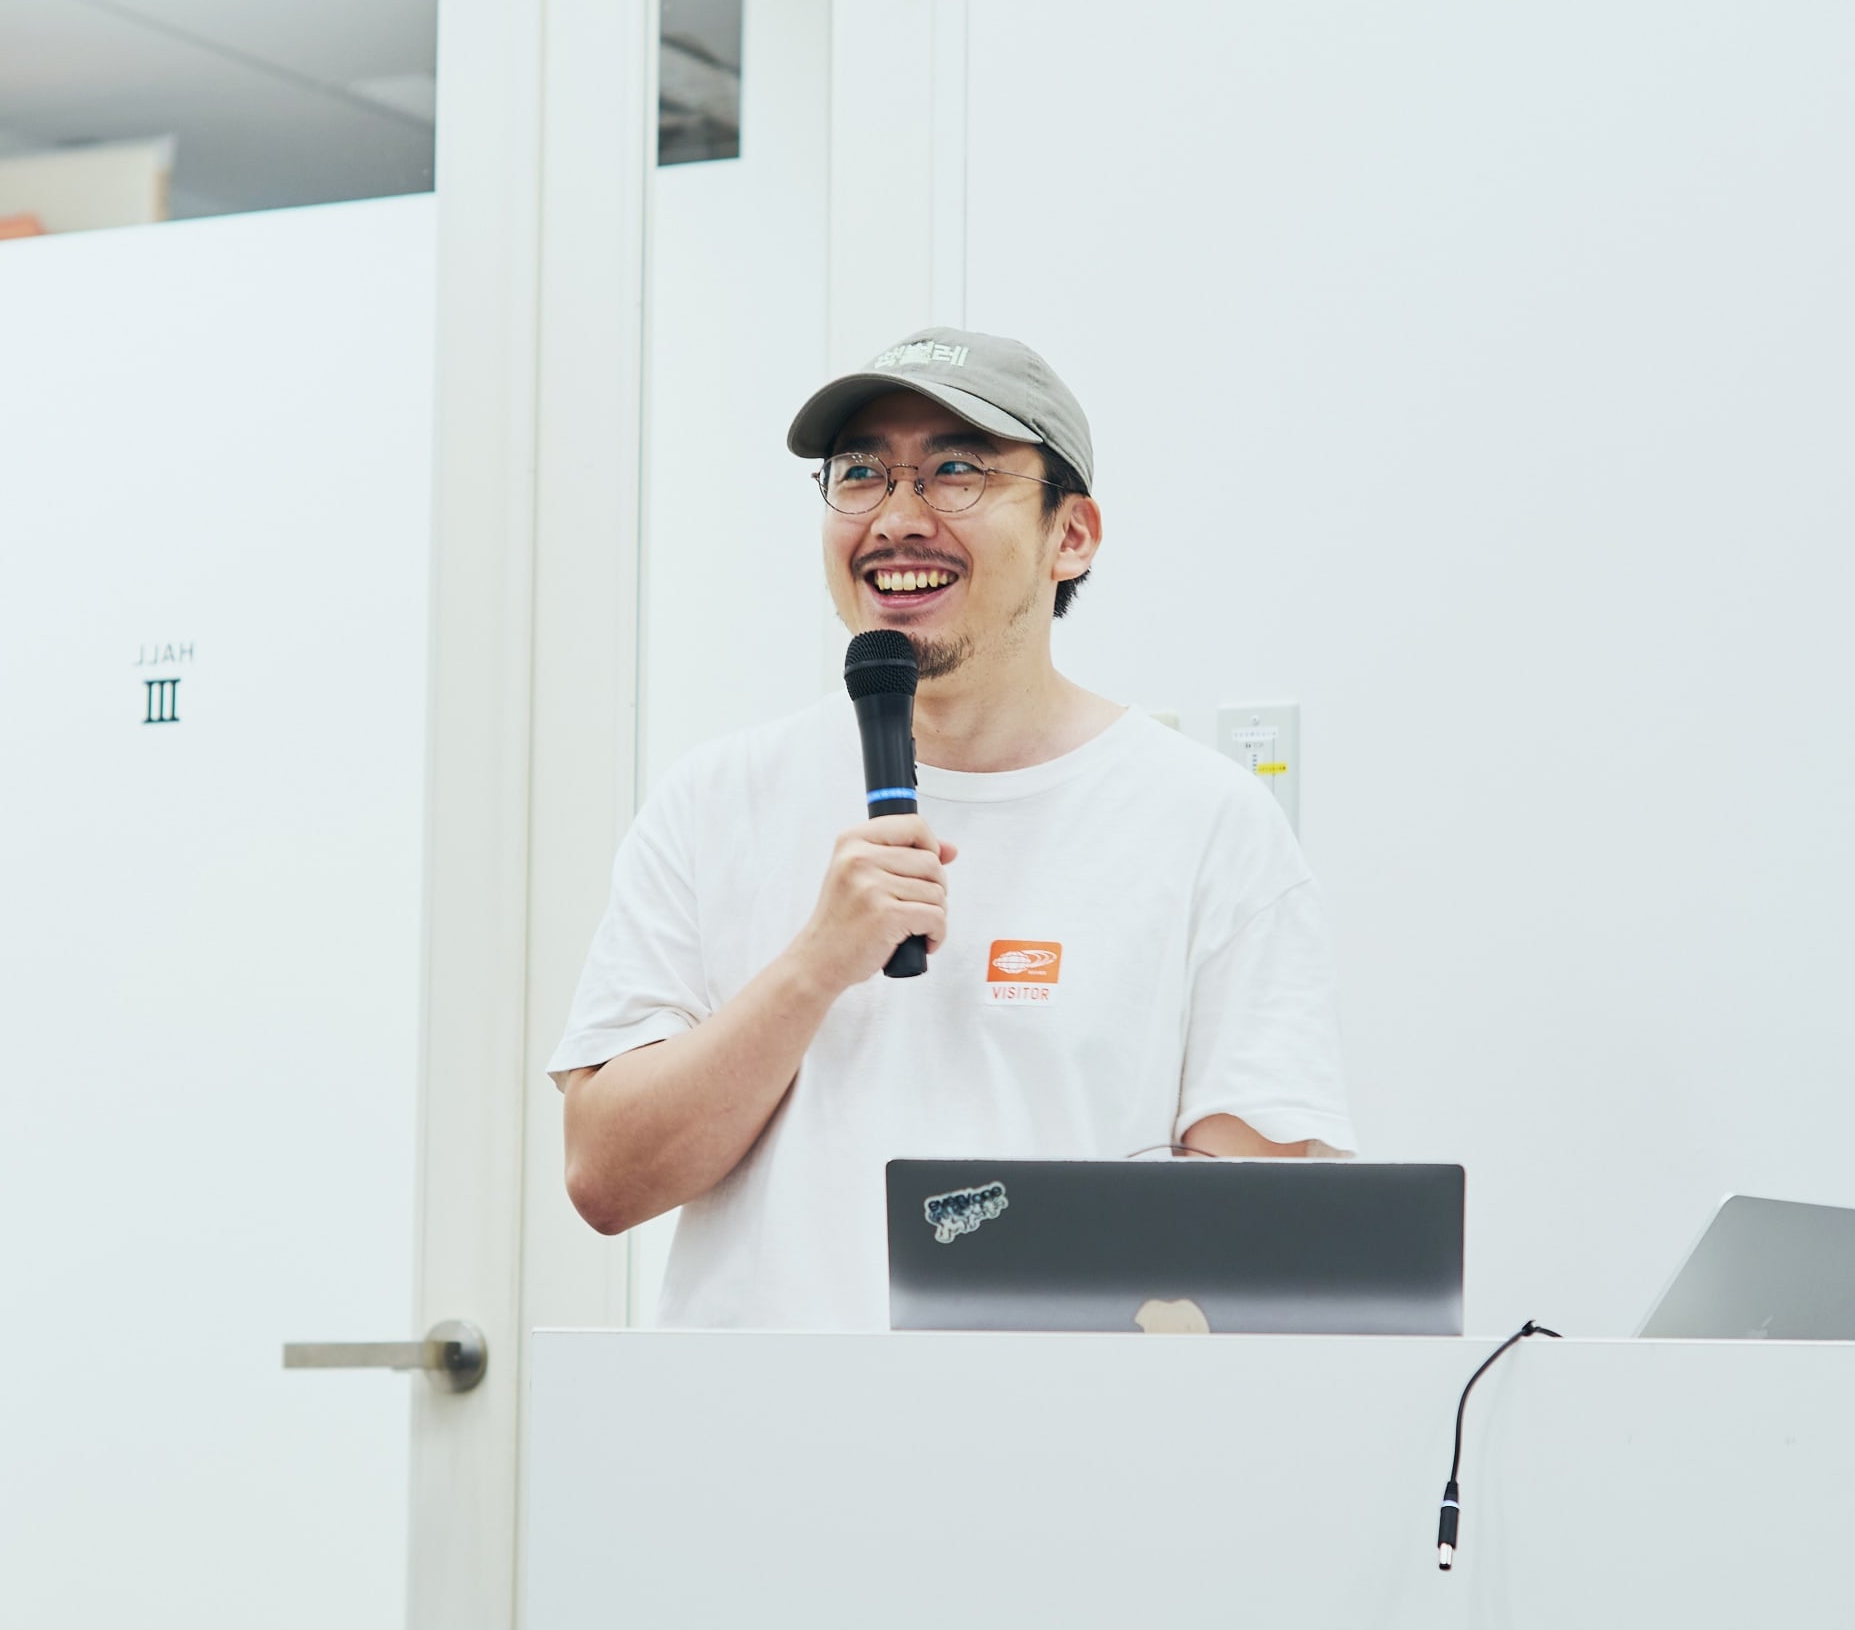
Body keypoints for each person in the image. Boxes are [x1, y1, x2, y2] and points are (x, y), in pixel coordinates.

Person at [549, 326, 1353, 1328]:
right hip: (760, 1421)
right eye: (860, 474)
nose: (896, 519)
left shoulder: (1206, 823)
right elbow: (605, 1176)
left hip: (1053, 1420)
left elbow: (1249, 1249)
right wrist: (814, 967)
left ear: (1072, 535)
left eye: (956, 472)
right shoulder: (713, 800)